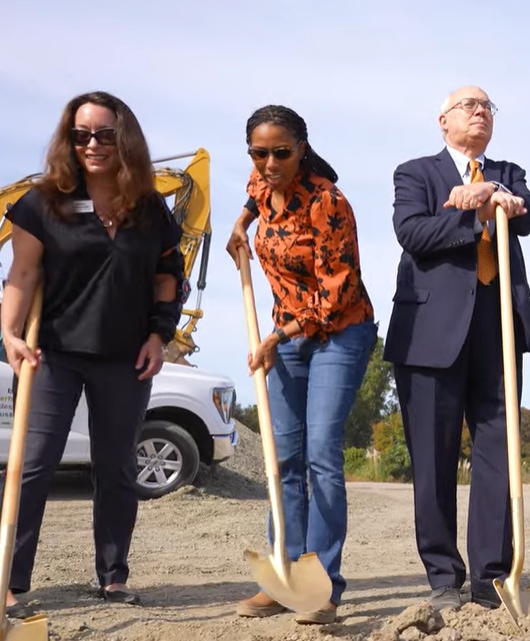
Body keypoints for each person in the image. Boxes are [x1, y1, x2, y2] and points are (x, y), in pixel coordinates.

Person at [0, 91, 184, 616]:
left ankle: (113, 577)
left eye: (104, 134)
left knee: (115, 468)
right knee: (30, 465)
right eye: (81, 135)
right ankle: (0, 582)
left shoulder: (150, 207)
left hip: (125, 356)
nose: (92, 144)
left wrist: (160, 335)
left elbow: (167, 277)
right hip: (54, 354)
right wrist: (11, 334)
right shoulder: (43, 203)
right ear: (69, 141)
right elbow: (22, 274)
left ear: (124, 138)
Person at [383, 86, 530, 611]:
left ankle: (490, 576)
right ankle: (443, 577)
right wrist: (474, 213)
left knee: (498, 452)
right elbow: (412, 232)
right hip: (431, 334)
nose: (480, 112)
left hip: (497, 328)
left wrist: (493, 188)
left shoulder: (507, 170)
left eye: (488, 107)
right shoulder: (415, 172)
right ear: (443, 120)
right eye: (469, 106)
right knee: (434, 458)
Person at [227, 105, 376, 624]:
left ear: (302, 149)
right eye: (259, 152)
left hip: (339, 332)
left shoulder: (329, 203)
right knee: (281, 456)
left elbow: (337, 295)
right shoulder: (262, 181)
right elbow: (252, 192)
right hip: (285, 335)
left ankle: (323, 585)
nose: (269, 162)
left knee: (319, 454)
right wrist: (241, 223)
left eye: (281, 153)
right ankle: (283, 573)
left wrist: (276, 337)